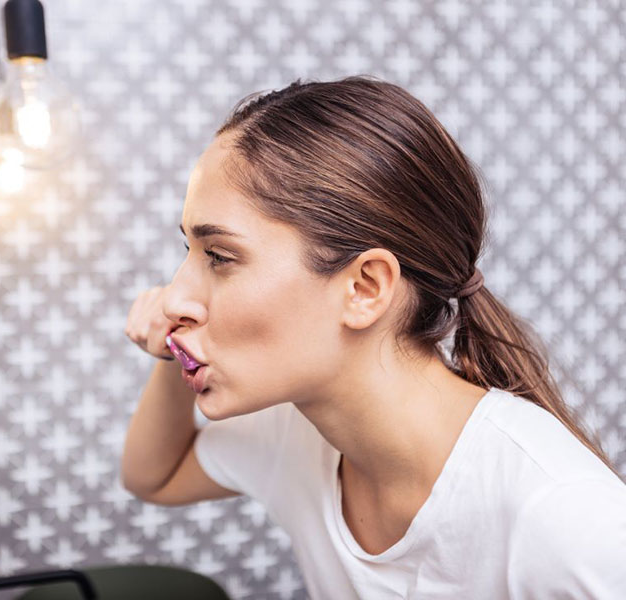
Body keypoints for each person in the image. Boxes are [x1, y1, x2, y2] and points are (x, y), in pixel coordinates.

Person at [120, 76, 626, 599]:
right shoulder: (296, 433)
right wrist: (174, 349)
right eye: (189, 252)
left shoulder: (566, 520)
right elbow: (154, 476)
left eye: (219, 257)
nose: (174, 298)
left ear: (364, 288)